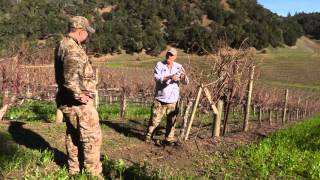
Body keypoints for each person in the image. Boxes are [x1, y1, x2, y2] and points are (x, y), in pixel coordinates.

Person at [54, 16, 102, 177]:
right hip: (77, 103)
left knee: (74, 135)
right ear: (81, 31)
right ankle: (93, 173)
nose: (88, 35)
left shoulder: (63, 44)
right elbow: (70, 78)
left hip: (67, 100)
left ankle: (74, 170)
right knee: (91, 137)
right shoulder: (72, 49)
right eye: (87, 32)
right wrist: (81, 96)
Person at [145, 48, 189, 145]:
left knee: (172, 121)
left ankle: (169, 139)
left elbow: (186, 82)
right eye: (168, 54)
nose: (169, 56)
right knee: (154, 121)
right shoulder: (159, 65)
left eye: (172, 55)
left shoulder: (179, 67)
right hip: (160, 99)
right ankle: (148, 136)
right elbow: (157, 78)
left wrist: (183, 77)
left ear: (175, 57)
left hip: (173, 100)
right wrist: (170, 77)